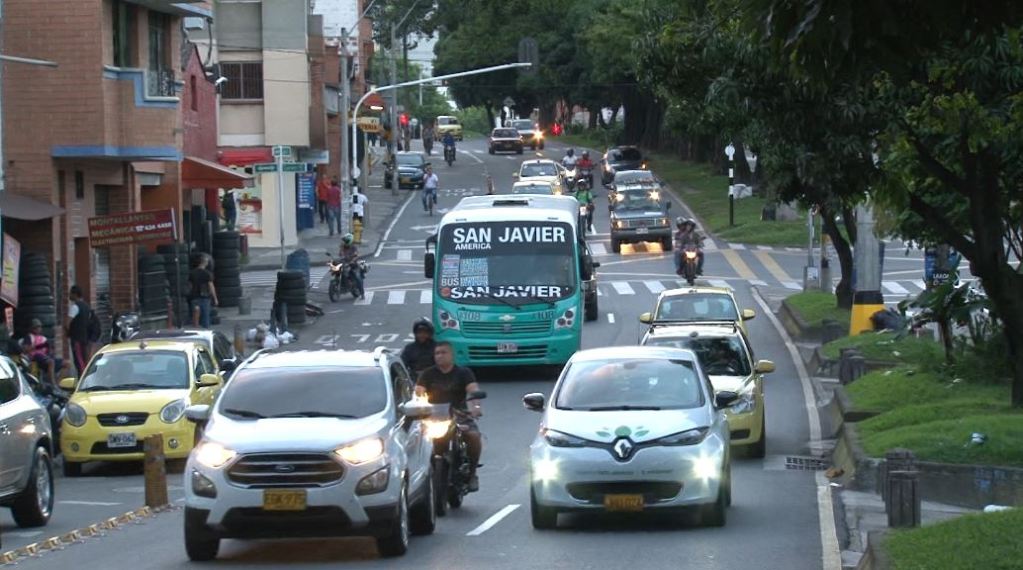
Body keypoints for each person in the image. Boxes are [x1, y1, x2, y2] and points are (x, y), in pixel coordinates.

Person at [415, 341, 483, 492]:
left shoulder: (464, 373)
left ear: (452, 355)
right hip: (434, 416)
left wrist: (475, 407)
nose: (439, 356)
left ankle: (472, 473)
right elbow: (418, 392)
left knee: (473, 436)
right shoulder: (428, 374)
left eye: (443, 352)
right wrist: (418, 404)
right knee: (416, 439)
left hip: (459, 414)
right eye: (437, 353)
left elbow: (473, 390)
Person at [23, 318, 62, 383]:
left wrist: (50, 350)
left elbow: (49, 350)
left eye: (39, 327)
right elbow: (25, 349)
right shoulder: (29, 337)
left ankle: (59, 384)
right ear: (32, 328)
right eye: (36, 327)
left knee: (66, 363)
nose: (38, 329)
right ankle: (53, 384)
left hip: (45, 357)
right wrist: (37, 346)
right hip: (35, 357)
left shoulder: (43, 338)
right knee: (51, 362)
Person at [66, 285, 93, 375]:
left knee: (79, 361)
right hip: (85, 337)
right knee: (85, 360)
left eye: (71, 293)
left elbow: (67, 323)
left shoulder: (75, 307)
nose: (69, 295)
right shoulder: (87, 307)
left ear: (75, 294)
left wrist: (68, 333)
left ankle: (82, 380)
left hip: (77, 338)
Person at [188, 255, 219, 328]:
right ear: (205, 263)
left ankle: (196, 330)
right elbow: (211, 286)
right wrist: (215, 298)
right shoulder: (207, 274)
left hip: (194, 297)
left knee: (195, 317)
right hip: (205, 298)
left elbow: (190, 286)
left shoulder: (192, 273)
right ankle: (206, 331)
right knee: (205, 317)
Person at [339, 233, 365, 299]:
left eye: (346, 241)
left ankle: (362, 293)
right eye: (344, 241)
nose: (344, 242)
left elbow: (356, 255)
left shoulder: (354, 247)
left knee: (357, 278)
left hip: (353, 265)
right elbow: (340, 252)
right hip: (344, 263)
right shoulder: (342, 246)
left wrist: (353, 260)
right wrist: (341, 256)